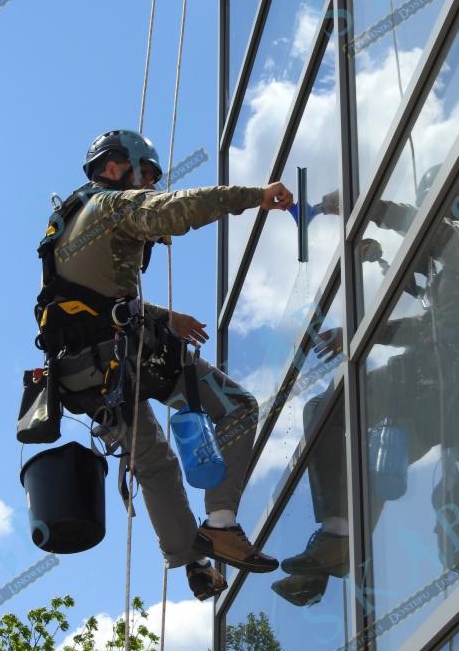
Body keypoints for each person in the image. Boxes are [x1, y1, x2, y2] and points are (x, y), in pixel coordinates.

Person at [36, 129, 293, 600]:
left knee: (153, 463)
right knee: (237, 407)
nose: (151, 186)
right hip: (125, 359)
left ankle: (192, 561)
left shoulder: (69, 223)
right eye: (147, 174)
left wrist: (161, 316)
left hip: (85, 375)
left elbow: (86, 304)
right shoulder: (111, 206)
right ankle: (220, 525)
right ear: (115, 168)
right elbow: (178, 209)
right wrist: (254, 196)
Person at [273, 166, 459, 603]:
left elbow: (436, 234)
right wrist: (361, 333)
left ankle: (338, 538)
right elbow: (427, 329)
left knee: (323, 413)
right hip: (441, 391)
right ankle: (335, 553)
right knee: (374, 471)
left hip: (444, 387)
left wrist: (365, 207)